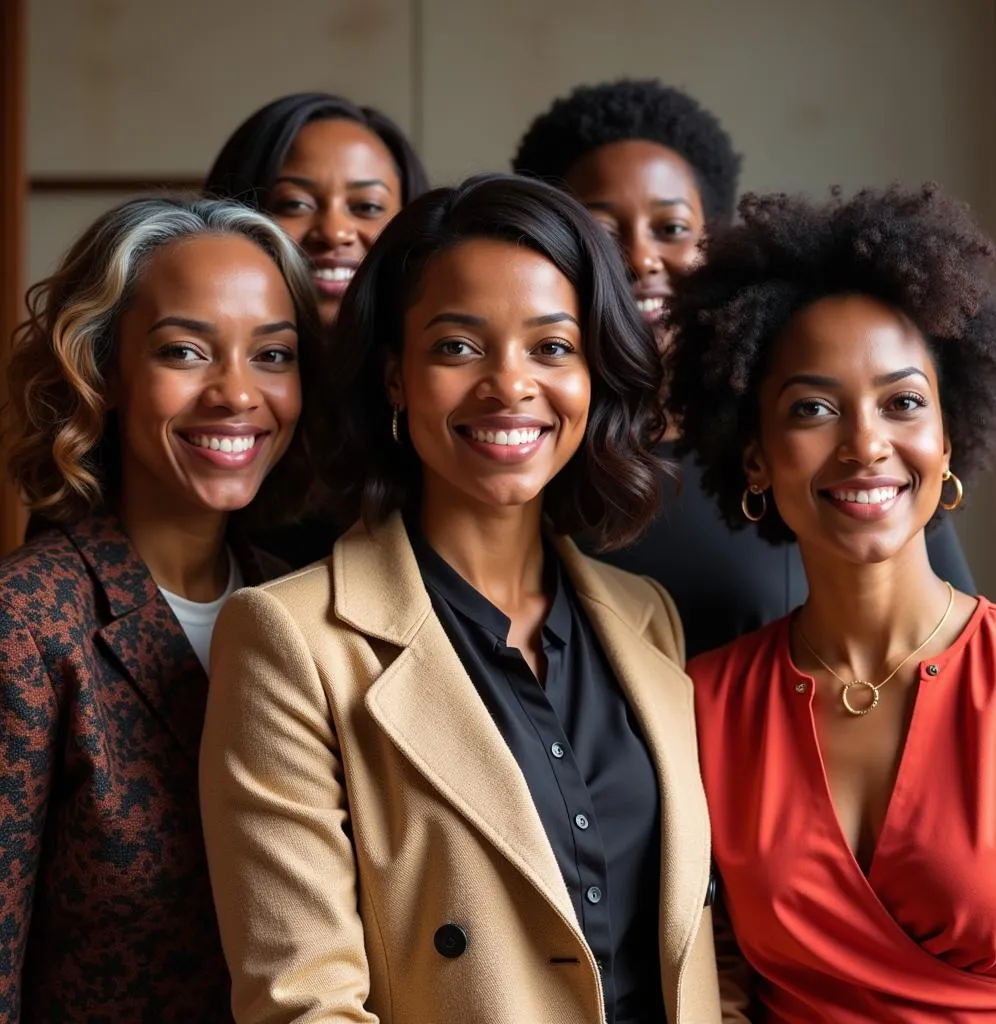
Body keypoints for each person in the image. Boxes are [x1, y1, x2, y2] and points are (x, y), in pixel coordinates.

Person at [199, 174, 720, 1023]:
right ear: (395, 378)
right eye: (457, 347)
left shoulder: (646, 617)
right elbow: (304, 1005)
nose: (509, 386)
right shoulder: (289, 640)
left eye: (552, 347)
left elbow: (704, 947)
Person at [670, 184, 996, 1021]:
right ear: (755, 458)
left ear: (947, 441)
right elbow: (702, 965)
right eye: (814, 408)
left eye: (903, 403)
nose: (866, 444)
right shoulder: (697, 706)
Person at [513, 79, 975, 655]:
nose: (640, 256)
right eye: (604, 233)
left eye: (672, 228)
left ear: (715, 242)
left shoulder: (815, 443)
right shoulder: (527, 452)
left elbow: (949, 652)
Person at [0, 195, 321, 1022]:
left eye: (273, 356)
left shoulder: (309, 606)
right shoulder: (27, 622)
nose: (237, 393)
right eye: (185, 351)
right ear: (102, 368)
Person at [206, 92, 429, 568]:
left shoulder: (432, 391)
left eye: (366, 206)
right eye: (295, 202)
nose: (333, 230)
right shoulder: (207, 400)